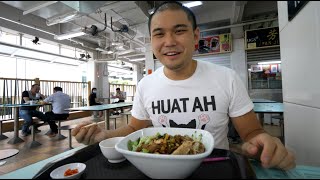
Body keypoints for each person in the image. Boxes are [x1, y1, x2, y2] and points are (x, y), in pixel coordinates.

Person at [72, 2, 295, 170]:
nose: (169, 41)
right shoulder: (146, 84)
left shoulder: (227, 77)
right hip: (159, 168)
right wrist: (105, 135)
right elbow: (134, 130)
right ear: (152, 41)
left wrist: (263, 144)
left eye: (179, 31)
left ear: (195, 36)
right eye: (159, 34)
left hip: (214, 168)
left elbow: (251, 132)